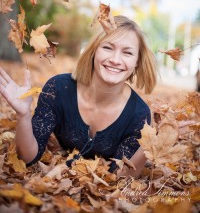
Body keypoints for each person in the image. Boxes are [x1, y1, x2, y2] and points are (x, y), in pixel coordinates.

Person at [0, 15, 194, 177]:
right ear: (94, 51)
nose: (115, 60)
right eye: (108, 48)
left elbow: (121, 177)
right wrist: (23, 115)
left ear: (137, 62)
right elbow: (27, 157)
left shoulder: (138, 114)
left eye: (127, 53)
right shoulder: (58, 88)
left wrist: (153, 143)